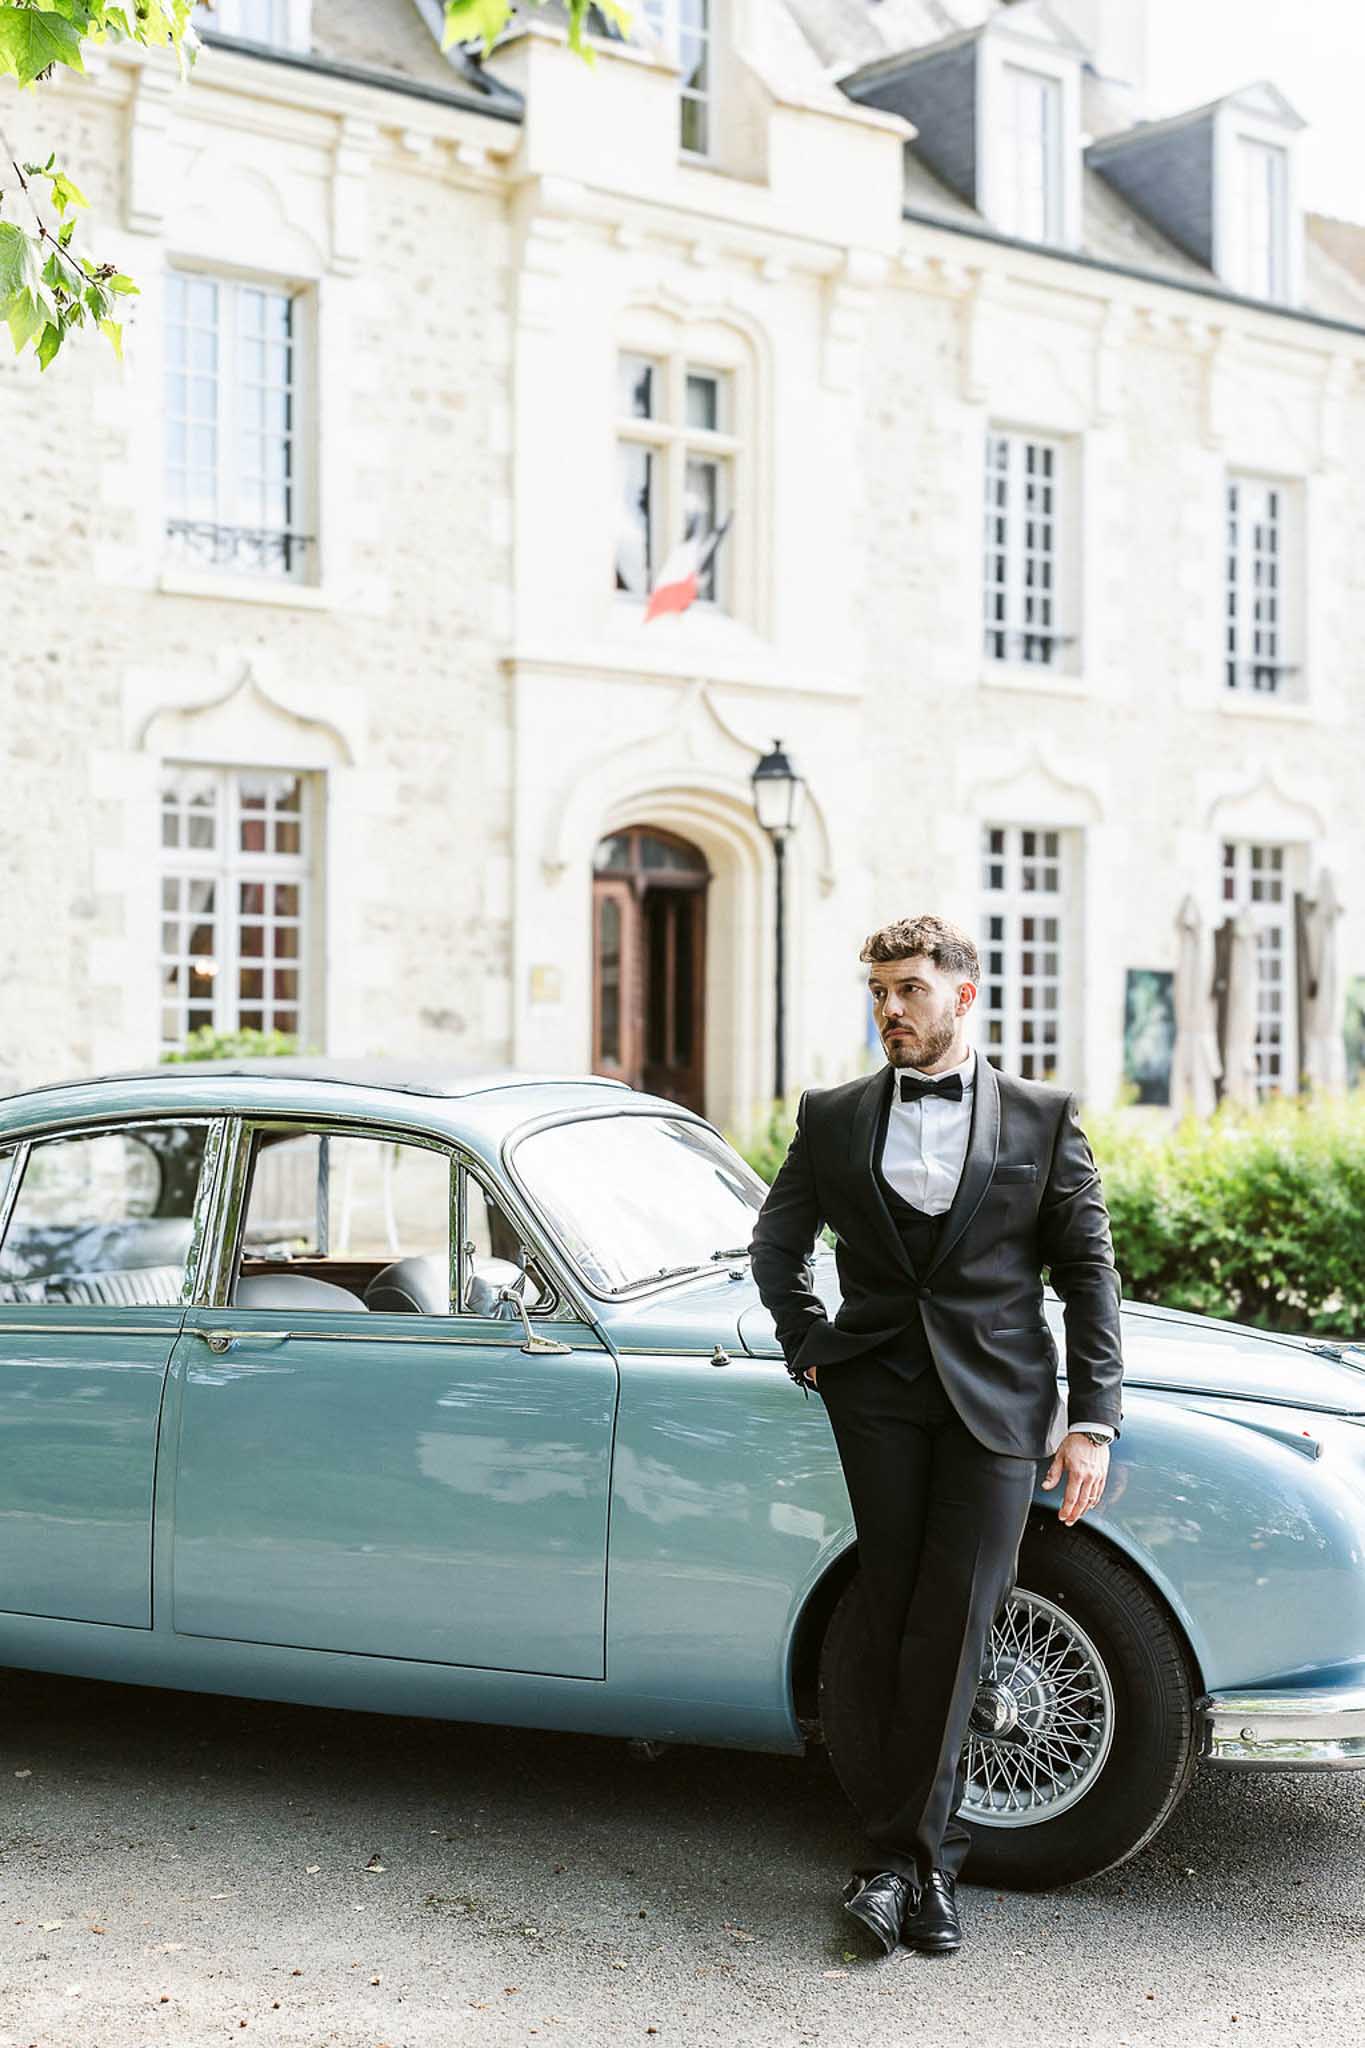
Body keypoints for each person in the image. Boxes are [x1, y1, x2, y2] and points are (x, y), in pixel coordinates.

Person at [748, 914, 1123, 1957]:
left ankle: (895, 1863)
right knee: (889, 1615)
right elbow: (775, 1241)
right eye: (877, 992)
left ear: (964, 994)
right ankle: (920, 1866)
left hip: (998, 1403)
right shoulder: (832, 1116)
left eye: (909, 989)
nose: (889, 1010)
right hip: (875, 1394)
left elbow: (1088, 1273)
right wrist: (807, 1343)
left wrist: (1091, 1419)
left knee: (958, 1617)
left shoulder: (1044, 1118)